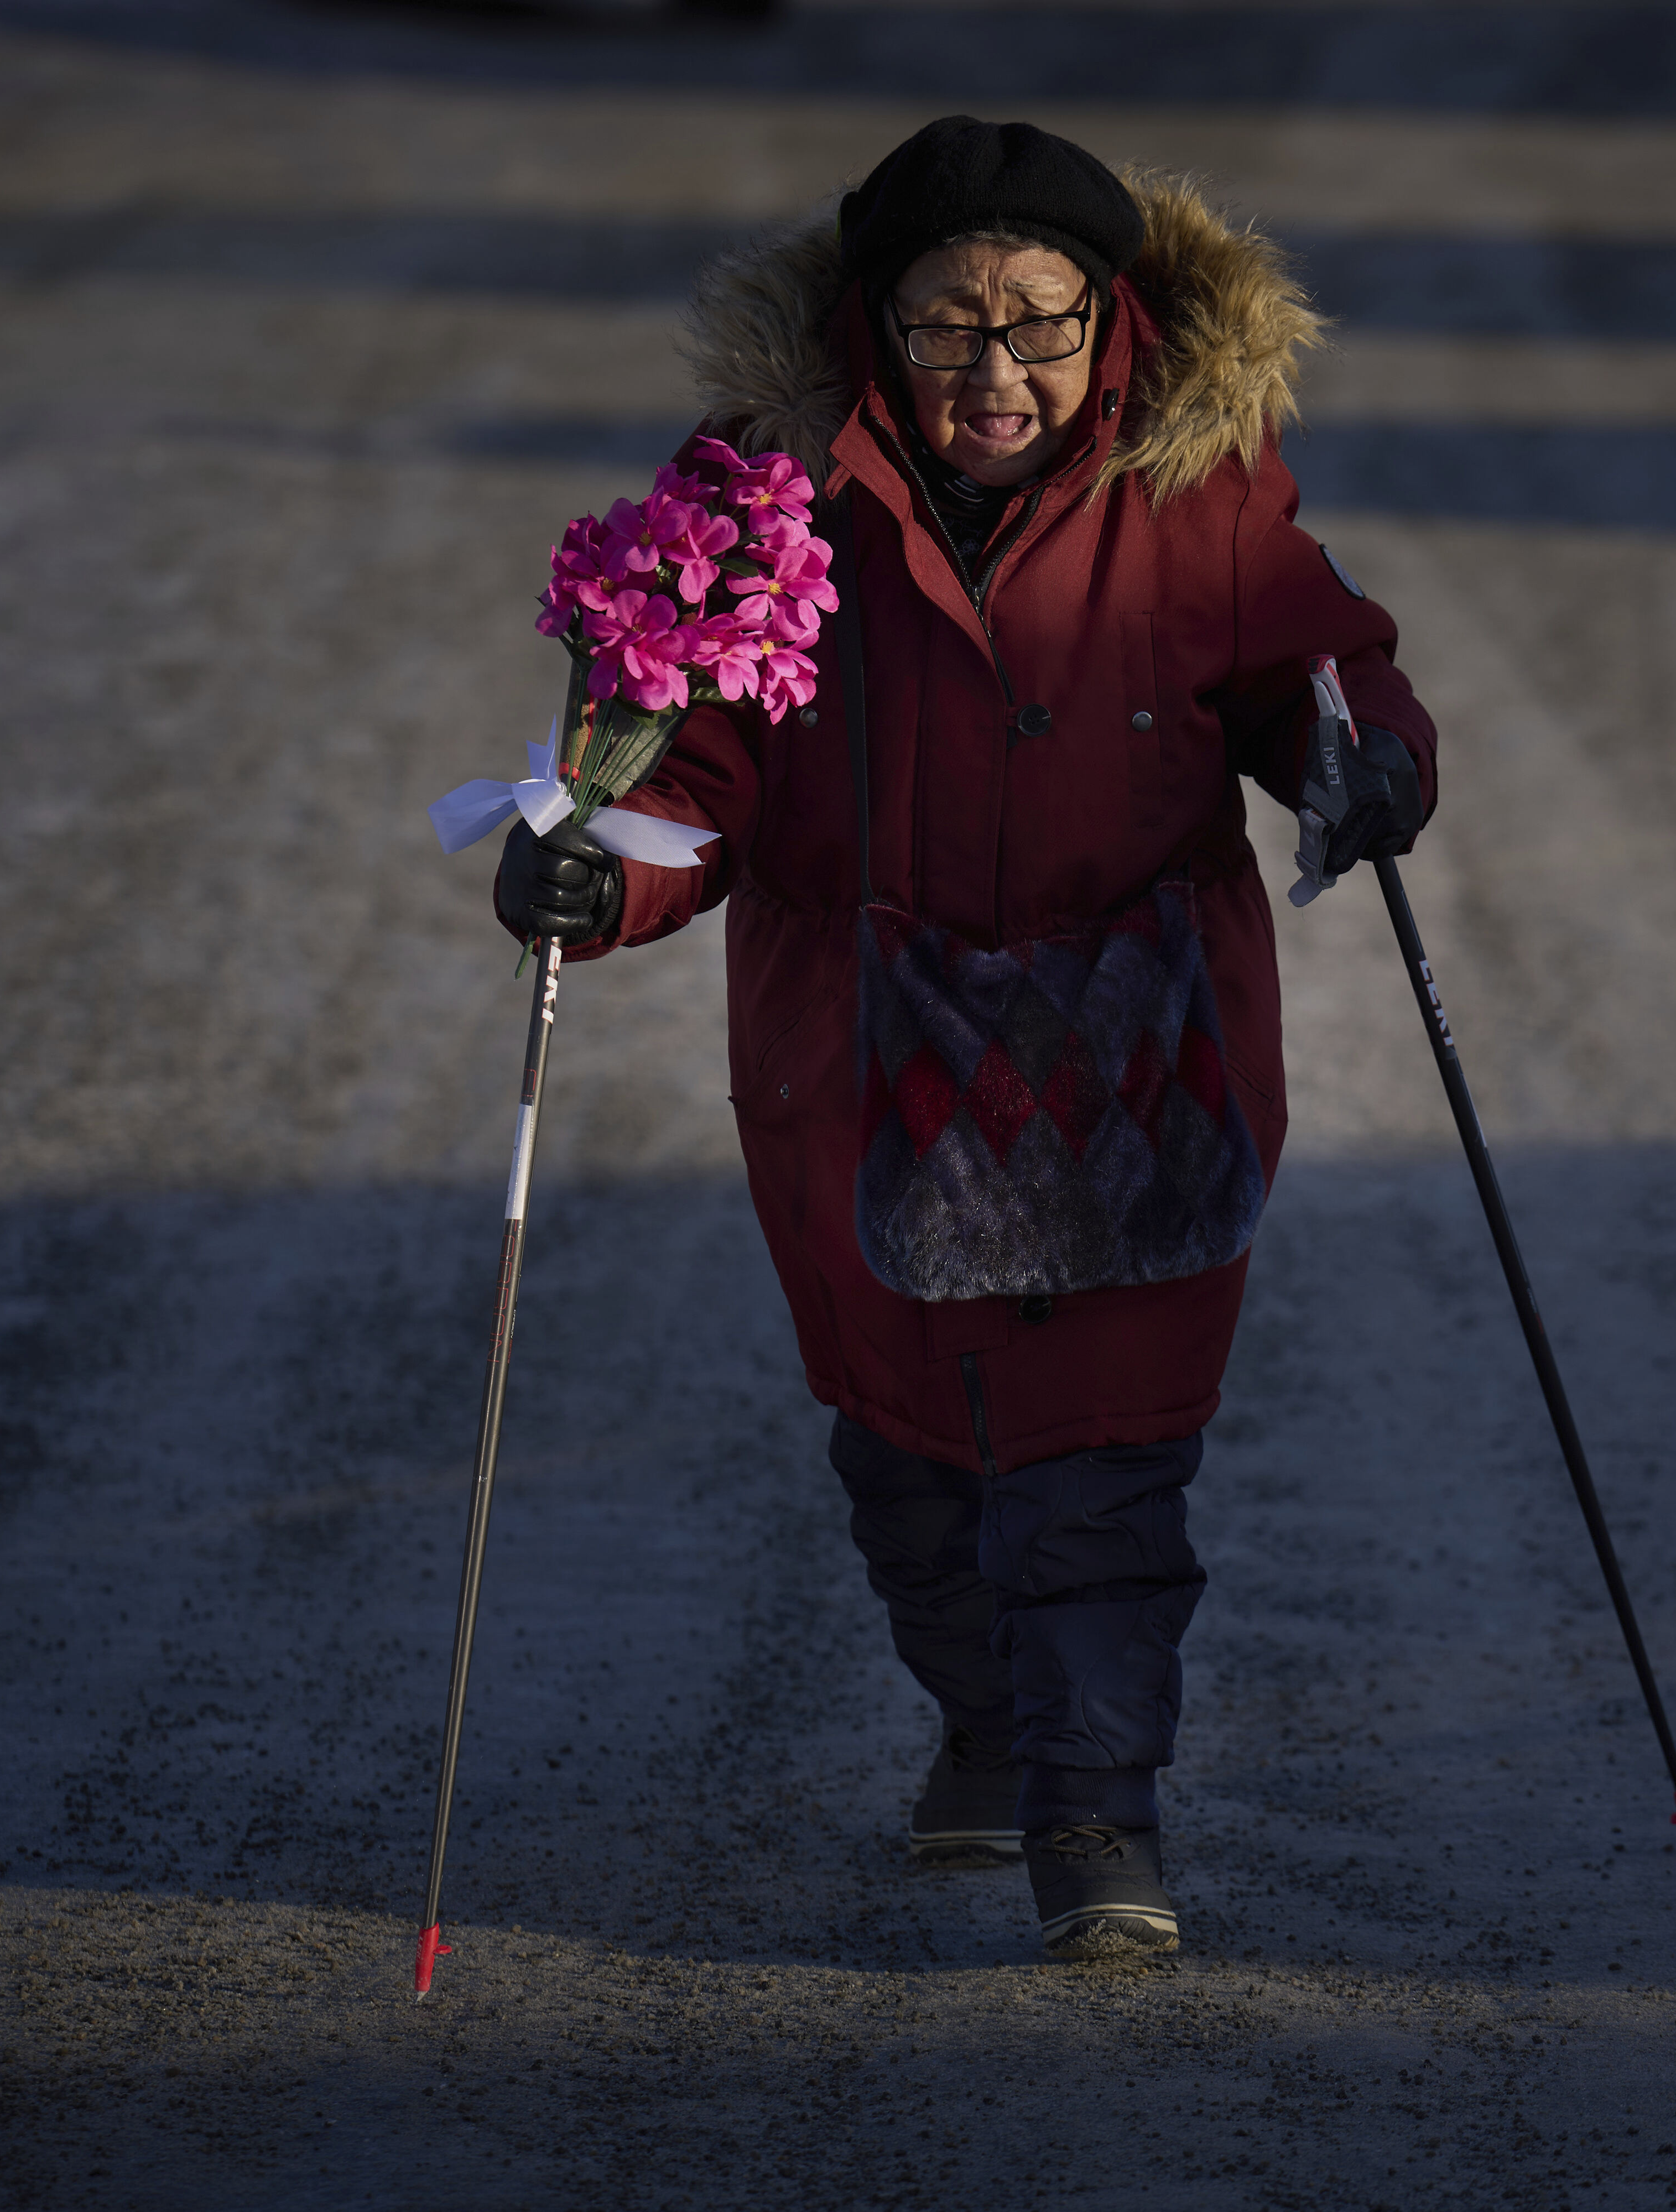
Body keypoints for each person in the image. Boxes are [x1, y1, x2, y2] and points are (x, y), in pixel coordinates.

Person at [497, 115, 1439, 1961]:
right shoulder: (754, 498)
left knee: (1099, 1463)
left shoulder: (1200, 486)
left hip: (1131, 1051)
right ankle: (991, 1726)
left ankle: (1101, 1819)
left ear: (1115, 326)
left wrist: (1364, 754)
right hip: (866, 1061)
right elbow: (691, 769)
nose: (992, 371)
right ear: (874, 323)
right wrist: (599, 873)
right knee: (913, 1463)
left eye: (1038, 323)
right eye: (945, 325)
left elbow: (1313, 664)